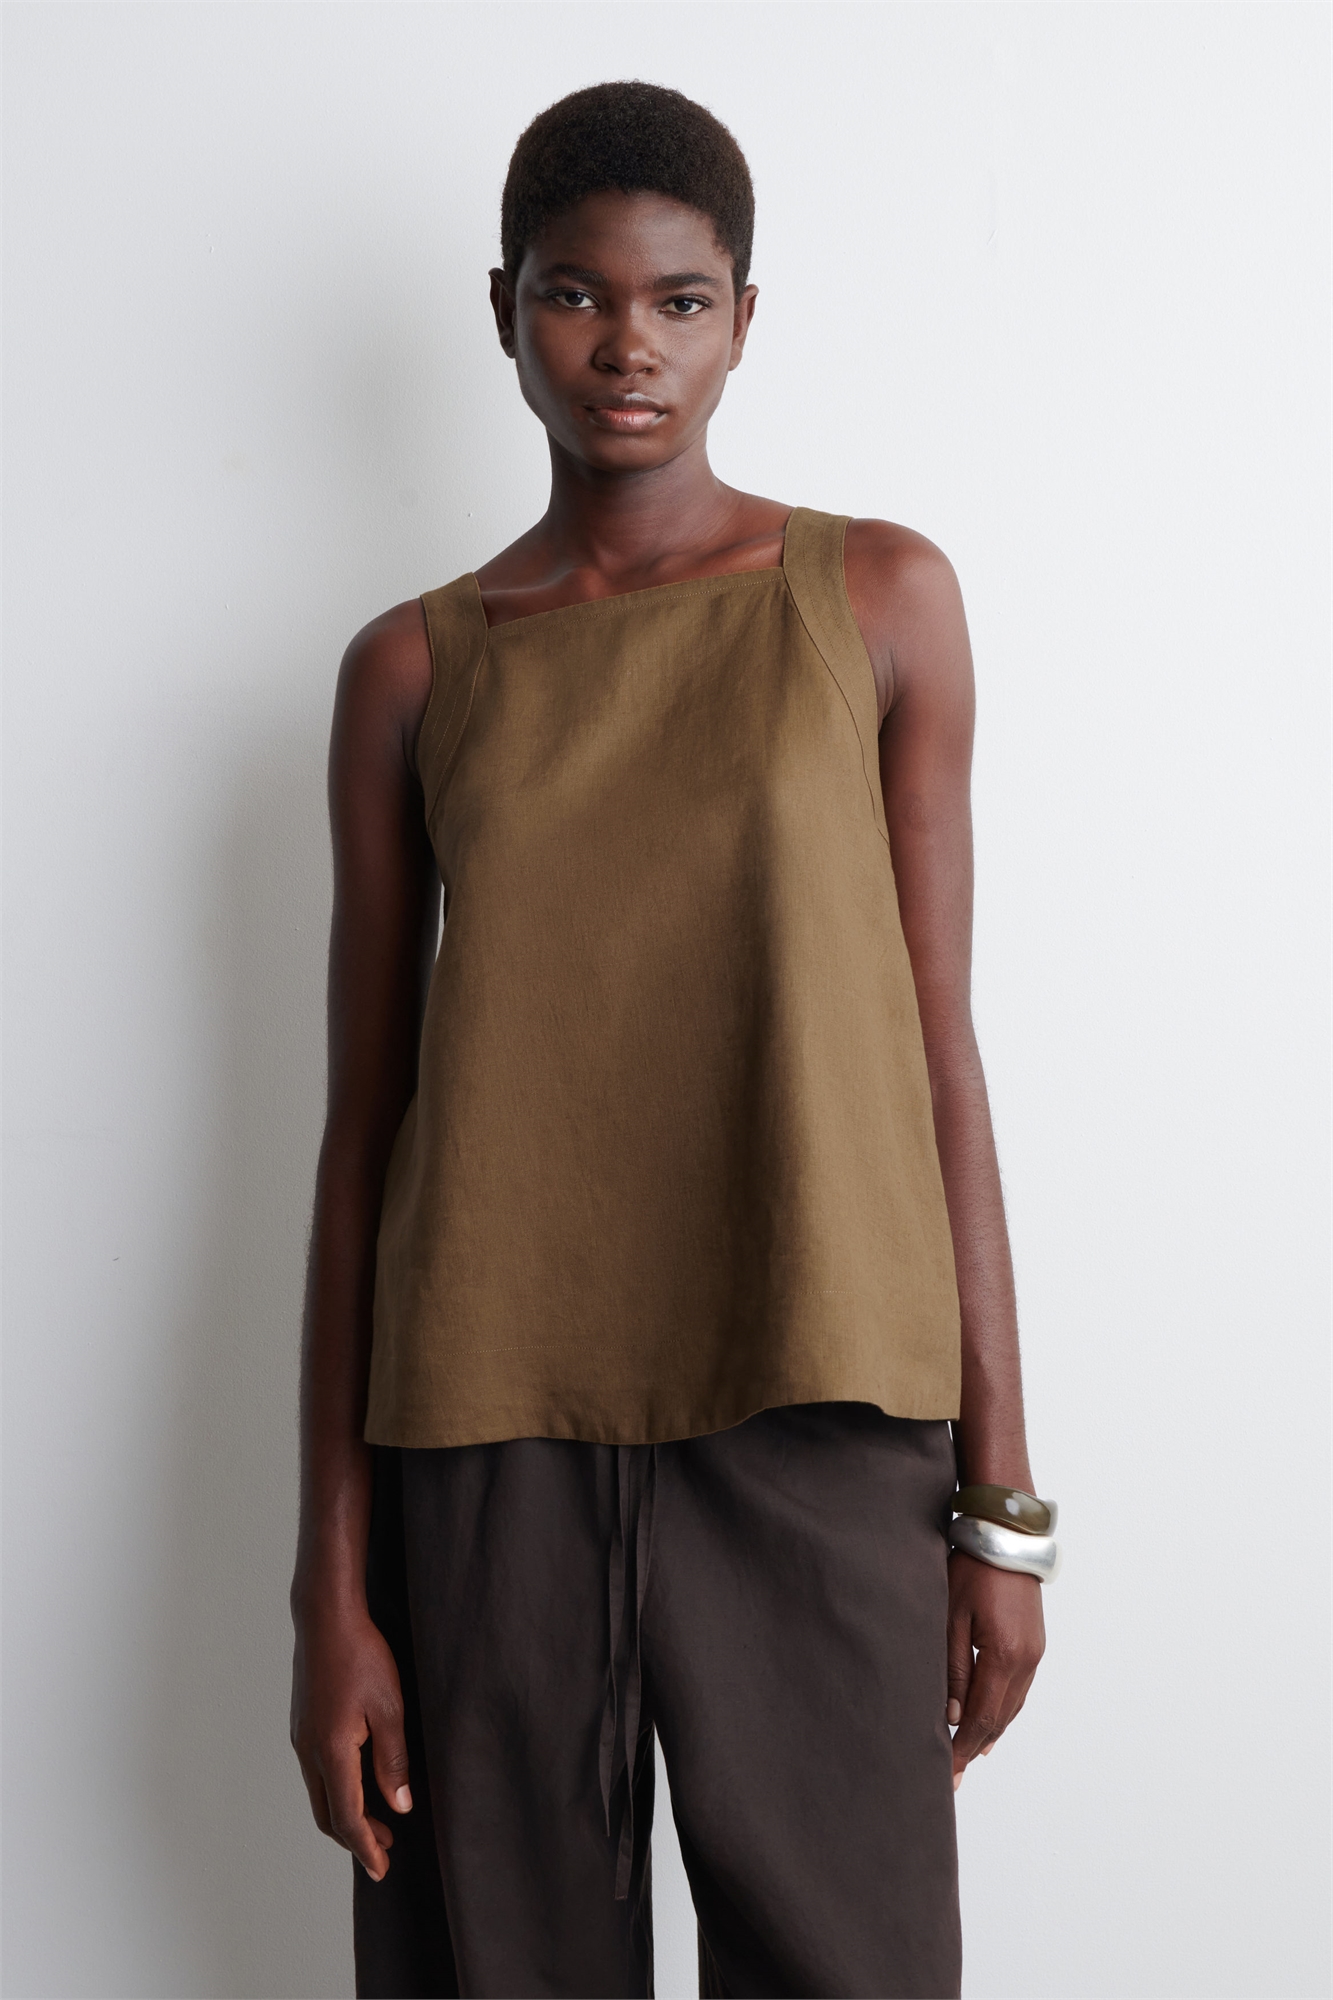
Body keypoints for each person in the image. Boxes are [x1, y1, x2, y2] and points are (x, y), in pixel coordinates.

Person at [289, 79, 1052, 2000]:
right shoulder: (414, 668)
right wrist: (331, 1583)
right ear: (503, 310)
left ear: (742, 319)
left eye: (679, 300)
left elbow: (935, 1058)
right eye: (574, 294)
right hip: (484, 1435)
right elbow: (362, 1132)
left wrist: (1001, 1511)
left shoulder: (876, 598)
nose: (627, 345)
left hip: (821, 1407)